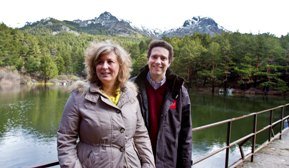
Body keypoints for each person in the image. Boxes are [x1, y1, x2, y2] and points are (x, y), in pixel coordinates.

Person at [57, 41, 155, 168]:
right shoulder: (79, 97)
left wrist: (148, 164)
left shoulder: (131, 97)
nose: (104, 66)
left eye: (110, 61)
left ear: (120, 66)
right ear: (93, 67)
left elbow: (141, 136)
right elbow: (65, 140)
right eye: (99, 62)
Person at [132, 39, 192, 168]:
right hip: (137, 160)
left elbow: (186, 134)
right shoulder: (131, 88)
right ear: (148, 58)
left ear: (169, 62)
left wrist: (186, 164)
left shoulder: (180, 91)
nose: (158, 62)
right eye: (154, 57)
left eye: (163, 58)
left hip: (168, 161)